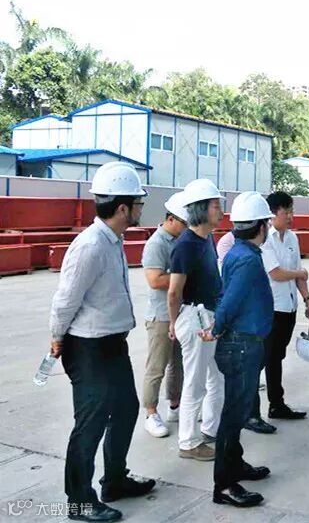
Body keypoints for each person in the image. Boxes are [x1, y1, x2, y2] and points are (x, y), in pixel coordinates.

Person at [48, 162, 155, 523]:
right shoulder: (91, 245)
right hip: (87, 347)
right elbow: (65, 299)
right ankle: (79, 500)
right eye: (138, 203)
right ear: (123, 208)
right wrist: (56, 337)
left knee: (125, 409)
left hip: (111, 344)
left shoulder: (113, 239)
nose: (140, 208)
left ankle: (115, 481)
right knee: (91, 422)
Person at [210, 191, 275, 508]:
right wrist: (216, 327)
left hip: (242, 342)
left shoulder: (240, 251)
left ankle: (235, 465)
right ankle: (224, 485)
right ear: (261, 226)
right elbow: (231, 300)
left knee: (236, 410)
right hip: (241, 345)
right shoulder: (248, 259)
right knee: (234, 416)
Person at [167, 179, 225, 462]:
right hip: (195, 318)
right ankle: (189, 442)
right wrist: (173, 322)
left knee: (216, 377)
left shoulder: (207, 239)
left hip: (209, 316)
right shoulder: (186, 246)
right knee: (195, 382)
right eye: (215, 205)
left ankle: (210, 428)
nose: (220, 211)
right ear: (200, 209)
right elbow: (174, 291)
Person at [246, 191, 309, 430]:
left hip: (289, 308)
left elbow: (299, 273)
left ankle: (277, 404)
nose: (291, 217)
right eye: (287, 212)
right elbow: (276, 273)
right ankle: (249, 413)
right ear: (273, 214)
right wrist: (300, 273)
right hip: (270, 309)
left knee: (276, 358)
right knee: (260, 360)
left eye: (292, 212)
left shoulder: (292, 238)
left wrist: (307, 299)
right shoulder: (266, 240)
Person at [141, 191, 189, 438]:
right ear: (171, 219)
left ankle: (174, 405)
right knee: (157, 367)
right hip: (161, 316)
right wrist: (185, 276)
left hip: (180, 312)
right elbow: (155, 280)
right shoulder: (157, 244)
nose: (187, 228)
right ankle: (151, 413)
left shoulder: (181, 241)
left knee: (177, 365)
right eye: (184, 223)